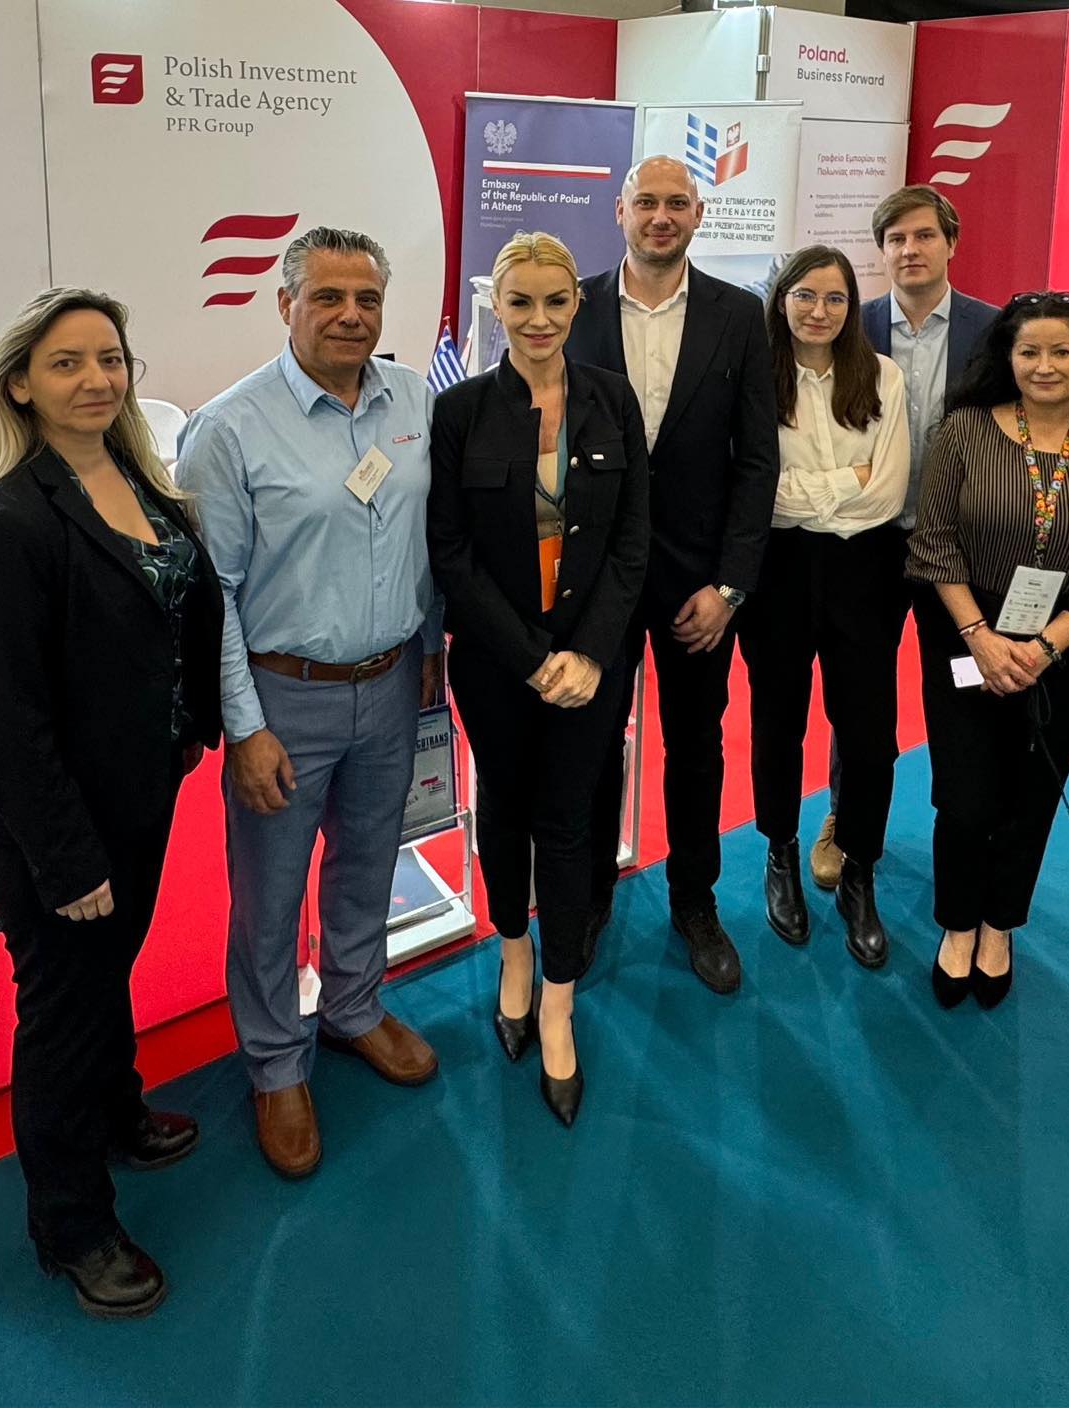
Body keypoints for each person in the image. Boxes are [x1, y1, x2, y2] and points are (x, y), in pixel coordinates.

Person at [0, 287, 224, 1317]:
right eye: (67, 363)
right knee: (62, 1010)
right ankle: (71, 1228)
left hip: (138, 789)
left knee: (106, 974)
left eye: (110, 359)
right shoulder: (7, 521)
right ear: (21, 383)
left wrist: (191, 729)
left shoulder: (134, 476)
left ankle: (117, 1113)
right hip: (51, 822)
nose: (97, 379)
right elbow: (6, 721)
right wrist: (67, 860)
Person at [178, 227, 445, 1181]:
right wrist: (244, 728)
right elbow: (210, 595)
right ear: (285, 303)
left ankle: (353, 1007)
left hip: (393, 682)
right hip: (284, 696)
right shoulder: (228, 429)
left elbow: (429, 538)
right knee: (270, 893)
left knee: (370, 861)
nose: (350, 316)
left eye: (367, 299)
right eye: (328, 297)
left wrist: (430, 651)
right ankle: (274, 1061)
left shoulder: (413, 398)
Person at [429, 232, 649, 1127]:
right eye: (520, 302)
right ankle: (512, 953)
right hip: (497, 662)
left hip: (591, 665)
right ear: (497, 305)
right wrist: (529, 657)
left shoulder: (613, 400)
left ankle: (558, 998)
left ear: (577, 304)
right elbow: (451, 553)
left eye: (556, 301)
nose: (539, 319)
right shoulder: (461, 412)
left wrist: (588, 653)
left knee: (567, 823)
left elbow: (632, 540)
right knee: (506, 811)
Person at [567, 157, 778, 996]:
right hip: (594, 582)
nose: (661, 216)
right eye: (646, 202)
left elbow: (757, 460)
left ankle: (695, 901)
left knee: (696, 746)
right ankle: (588, 897)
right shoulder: (571, 306)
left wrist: (730, 587)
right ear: (619, 210)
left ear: (699, 215)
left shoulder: (739, 314)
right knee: (590, 743)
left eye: (677, 204)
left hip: (698, 586)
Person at [905, 292, 1069, 1009]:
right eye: (1029, 351)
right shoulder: (964, 431)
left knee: (1030, 798)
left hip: (1062, 651)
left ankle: (999, 924)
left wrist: (1040, 648)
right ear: (1006, 358)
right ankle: (956, 923)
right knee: (965, 798)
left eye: (1062, 351)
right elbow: (934, 543)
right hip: (964, 634)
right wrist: (982, 638)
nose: (1045, 366)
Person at [813, 184, 1002, 891]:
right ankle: (845, 815)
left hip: (959, 549)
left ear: (951, 243)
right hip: (868, 543)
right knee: (858, 693)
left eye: (924, 236)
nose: (910, 249)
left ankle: (964, 818)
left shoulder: (995, 330)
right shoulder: (850, 327)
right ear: (881, 251)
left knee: (961, 686)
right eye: (896, 239)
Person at [742, 245, 910, 969]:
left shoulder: (883, 376)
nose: (819, 311)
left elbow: (887, 492)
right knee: (777, 724)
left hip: (865, 571)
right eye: (805, 296)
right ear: (782, 299)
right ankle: (780, 851)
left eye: (835, 298)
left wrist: (807, 493)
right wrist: (845, 480)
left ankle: (859, 871)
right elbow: (757, 493)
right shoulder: (754, 376)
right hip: (776, 572)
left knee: (869, 735)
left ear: (852, 306)